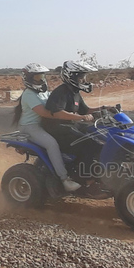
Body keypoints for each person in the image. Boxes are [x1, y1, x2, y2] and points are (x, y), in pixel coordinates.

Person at [13, 63, 92, 192]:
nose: (41, 79)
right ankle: (64, 179)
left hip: (43, 125)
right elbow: (45, 113)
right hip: (30, 127)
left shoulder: (44, 92)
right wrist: (74, 116)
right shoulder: (29, 94)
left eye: (42, 76)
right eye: (37, 77)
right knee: (51, 144)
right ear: (28, 78)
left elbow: (55, 107)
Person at [42, 61, 117, 159]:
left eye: (84, 77)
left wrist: (105, 108)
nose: (83, 81)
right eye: (81, 78)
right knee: (90, 143)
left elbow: (85, 110)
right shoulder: (61, 92)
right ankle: (82, 171)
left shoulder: (75, 92)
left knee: (98, 136)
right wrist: (80, 117)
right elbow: (57, 113)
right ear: (71, 77)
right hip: (58, 130)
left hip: (69, 127)